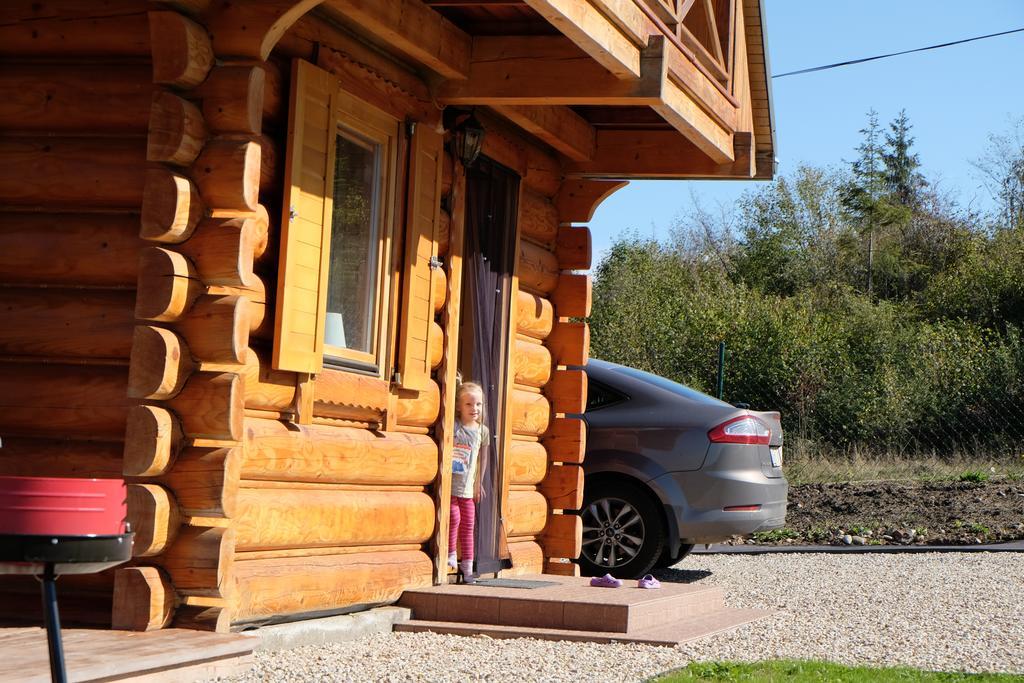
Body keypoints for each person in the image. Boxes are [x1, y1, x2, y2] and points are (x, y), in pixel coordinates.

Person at [449, 381, 487, 583]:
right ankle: (450, 552)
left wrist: (478, 482)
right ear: (458, 406)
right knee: (453, 518)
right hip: (452, 484)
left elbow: (483, 459)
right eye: (469, 405)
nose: (475, 409)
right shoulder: (454, 426)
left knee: (469, 524)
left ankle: (468, 566)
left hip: (467, 487)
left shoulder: (482, 431)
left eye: (478, 404)